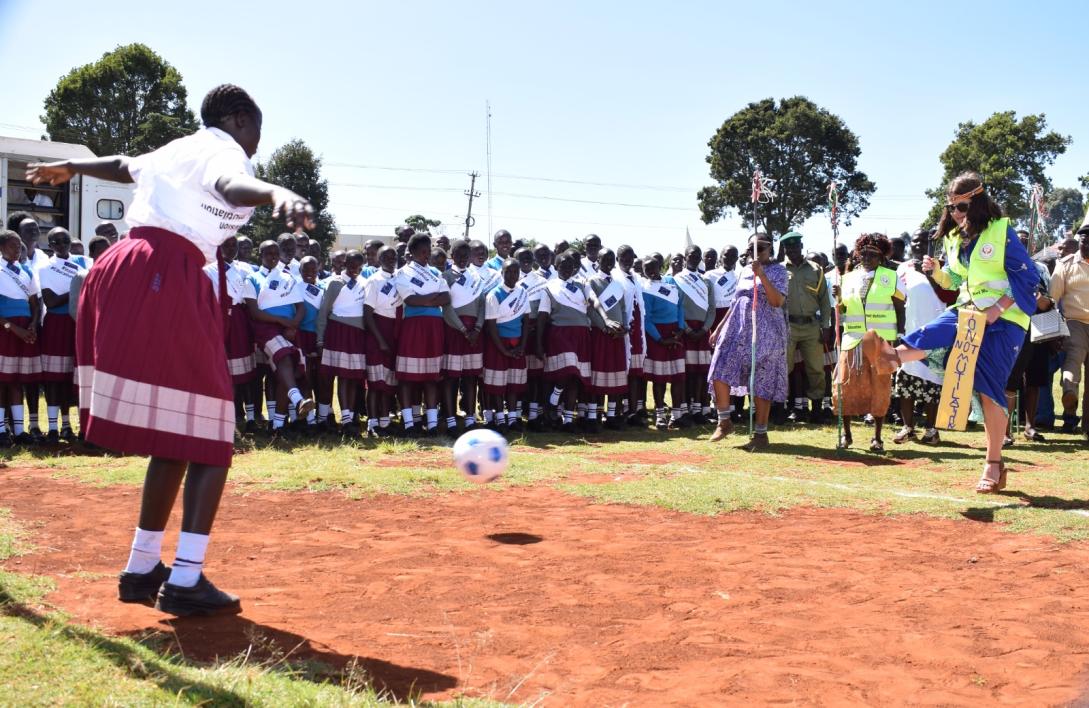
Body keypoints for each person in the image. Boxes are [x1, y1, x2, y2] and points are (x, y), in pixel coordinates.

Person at [27, 84, 314, 615]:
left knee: (184, 430)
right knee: (212, 428)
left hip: (129, 267)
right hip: (166, 272)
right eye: (256, 132)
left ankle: (141, 568)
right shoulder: (222, 149)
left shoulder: (178, 147)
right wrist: (276, 193)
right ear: (238, 119)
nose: (255, 144)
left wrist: (74, 165)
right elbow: (232, 183)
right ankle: (185, 579)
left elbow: (122, 164)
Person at [893, 172, 1038, 493]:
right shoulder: (955, 239)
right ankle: (891, 357)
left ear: (978, 202)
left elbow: (1028, 281)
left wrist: (996, 310)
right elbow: (959, 282)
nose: (956, 213)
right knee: (934, 330)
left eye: (962, 206)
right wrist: (939, 273)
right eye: (952, 207)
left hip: (1006, 321)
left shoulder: (1002, 232)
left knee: (989, 392)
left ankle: (994, 464)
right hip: (968, 310)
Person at [707, 233, 788, 449]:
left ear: (770, 248)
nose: (756, 252)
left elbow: (777, 301)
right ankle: (724, 420)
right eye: (752, 248)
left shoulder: (779, 271)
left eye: (760, 247)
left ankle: (760, 434)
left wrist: (761, 275)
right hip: (738, 329)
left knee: (762, 379)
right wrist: (719, 328)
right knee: (720, 367)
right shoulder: (743, 270)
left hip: (767, 332)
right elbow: (735, 302)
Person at [833, 234, 905, 452]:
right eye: (863, 253)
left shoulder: (891, 277)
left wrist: (899, 334)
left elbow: (900, 307)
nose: (867, 257)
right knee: (844, 385)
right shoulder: (847, 278)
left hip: (880, 341)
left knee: (880, 387)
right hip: (852, 339)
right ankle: (847, 435)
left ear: (881, 256)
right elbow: (843, 310)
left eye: (873, 254)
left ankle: (877, 438)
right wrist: (838, 299)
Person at [245, 240, 316, 434]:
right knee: (284, 355)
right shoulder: (251, 279)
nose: (273, 257)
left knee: (291, 371)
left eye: (276, 253)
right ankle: (298, 399)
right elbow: (254, 312)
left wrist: (293, 325)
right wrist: (283, 322)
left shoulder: (288, 277)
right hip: (266, 329)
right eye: (268, 253)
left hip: (290, 329)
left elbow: (300, 307)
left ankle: (277, 425)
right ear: (260, 255)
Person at [891, 229, 946, 445]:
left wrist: (931, 271)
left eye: (925, 241)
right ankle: (908, 428)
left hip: (936, 333)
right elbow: (897, 301)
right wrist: (899, 331)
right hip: (909, 334)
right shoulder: (903, 268)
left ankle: (932, 430)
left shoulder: (942, 266)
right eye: (916, 241)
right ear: (909, 244)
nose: (920, 245)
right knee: (905, 381)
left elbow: (949, 295)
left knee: (933, 381)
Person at [393, 233, 450, 436]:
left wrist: (426, 299)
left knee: (431, 377)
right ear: (413, 252)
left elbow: (446, 297)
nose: (427, 255)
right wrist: (432, 299)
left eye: (428, 251)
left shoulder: (435, 272)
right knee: (408, 378)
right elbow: (411, 300)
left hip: (434, 328)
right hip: (413, 327)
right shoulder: (402, 273)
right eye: (423, 251)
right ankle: (409, 423)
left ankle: (432, 423)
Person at [37, 227, 88, 441]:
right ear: (50, 245)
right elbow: (50, 301)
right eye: (56, 242)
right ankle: (53, 427)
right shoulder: (45, 268)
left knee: (71, 378)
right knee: (53, 379)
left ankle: (69, 425)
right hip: (55, 325)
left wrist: (73, 290)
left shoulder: (84, 263)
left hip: (76, 324)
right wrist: (77, 288)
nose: (61, 245)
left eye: (65, 240)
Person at [537, 251, 597, 432]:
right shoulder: (548, 288)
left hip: (581, 336)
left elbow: (592, 300)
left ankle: (568, 420)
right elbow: (542, 317)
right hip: (560, 335)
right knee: (567, 370)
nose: (566, 268)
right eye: (563, 265)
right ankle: (553, 400)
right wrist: (539, 343)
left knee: (575, 378)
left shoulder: (582, 284)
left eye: (570, 266)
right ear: (556, 267)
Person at [202, 236, 257, 434]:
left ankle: (251, 418)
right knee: (225, 373)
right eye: (227, 244)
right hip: (218, 323)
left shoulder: (246, 269)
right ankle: (228, 419)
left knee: (246, 372)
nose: (231, 248)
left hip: (240, 321)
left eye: (234, 245)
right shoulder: (208, 270)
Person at [782, 231, 832, 424]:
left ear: (801, 247)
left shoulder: (815, 269)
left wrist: (825, 325)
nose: (792, 251)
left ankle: (817, 410)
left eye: (795, 247)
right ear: (784, 250)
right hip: (788, 326)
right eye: (788, 248)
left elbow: (824, 301)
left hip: (812, 326)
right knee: (785, 367)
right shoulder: (780, 270)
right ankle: (785, 407)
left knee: (816, 369)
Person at [316, 250, 367, 434]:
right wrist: (320, 340)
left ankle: (350, 414)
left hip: (357, 335)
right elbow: (324, 312)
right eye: (352, 265)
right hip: (339, 332)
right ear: (344, 264)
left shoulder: (364, 283)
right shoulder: (335, 283)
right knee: (343, 377)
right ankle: (345, 421)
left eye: (359, 266)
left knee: (353, 378)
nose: (355, 269)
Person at [0, 229, 42, 445]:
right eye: (11, 246)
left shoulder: (26, 270)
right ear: (1, 247)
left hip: (25, 329)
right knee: (2, 380)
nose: (16, 249)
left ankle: (19, 430)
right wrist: (13, 328)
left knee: (16, 380)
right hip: (6, 329)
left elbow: (35, 303)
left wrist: (33, 324)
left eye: (18, 246)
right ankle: (0, 430)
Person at [1050, 216, 1089, 439]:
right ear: (1079, 241)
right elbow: (1053, 298)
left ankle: (1088, 428)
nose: (1087, 245)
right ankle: (1069, 394)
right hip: (1074, 321)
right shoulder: (1065, 265)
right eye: (1084, 241)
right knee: (1072, 359)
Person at [483, 259, 530, 435]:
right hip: (498, 344)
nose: (512, 276)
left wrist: (522, 346)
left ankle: (512, 418)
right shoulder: (493, 295)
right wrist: (503, 350)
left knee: (513, 384)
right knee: (498, 386)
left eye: (515, 272)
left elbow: (526, 321)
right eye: (508, 272)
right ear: (501, 273)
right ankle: (500, 419)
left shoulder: (523, 293)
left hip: (517, 343)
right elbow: (491, 326)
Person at [441, 240, 485, 432]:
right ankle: (451, 417)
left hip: (475, 333)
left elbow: (482, 305)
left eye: (465, 255)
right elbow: (446, 307)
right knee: (451, 377)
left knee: (471, 378)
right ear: (452, 255)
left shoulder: (476, 277)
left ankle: (469, 415)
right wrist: (462, 329)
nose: (462, 258)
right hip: (454, 330)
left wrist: (477, 328)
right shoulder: (446, 276)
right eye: (458, 255)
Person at [641, 257, 687, 431]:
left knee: (678, 377)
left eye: (654, 267)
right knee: (659, 379)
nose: (651, 271)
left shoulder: (671, 281)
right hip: (657, 336)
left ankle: (676, 415)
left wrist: (681, 328)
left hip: (675, 332)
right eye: (647, 268)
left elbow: (680, 305)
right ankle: (660, 415)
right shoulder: (645, 288)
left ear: (661, 266)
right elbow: (646, 318)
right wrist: (660, 339)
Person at [586, 249, 628, 431]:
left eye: (612, 259)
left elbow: (624, 309)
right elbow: (590, 310)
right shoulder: (591, 281)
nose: (609, 262)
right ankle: (594, 416)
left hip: (617, 336)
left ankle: (611, 416)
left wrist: (624, 328)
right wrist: (604, 327)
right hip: (600, 334)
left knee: (614, 376)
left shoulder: (618, 284)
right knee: (598, 375)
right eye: (605, 258)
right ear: (599, 260)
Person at [363, 245, 401, 437]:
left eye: (394, 256)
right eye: (386, 257)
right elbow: (367, 314)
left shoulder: (400, 278)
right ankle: (372, 424)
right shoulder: (374, 281)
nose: (391, 260)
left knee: (388, 383)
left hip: (395, 332)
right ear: (378, 259)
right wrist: (380, 340)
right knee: (375, 383)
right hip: (378, 332)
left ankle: (385, 422)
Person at [675, 246, 715, 423]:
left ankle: (698, 409)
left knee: (701, 372)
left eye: (697, 256)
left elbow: (712, 309)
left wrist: (705, 329)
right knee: (685, 372)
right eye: (691, 255)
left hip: (702, 331)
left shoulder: (706, 281)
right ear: (685, 257)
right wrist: (687, 328)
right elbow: (676, 308)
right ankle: (685, 409)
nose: (694, 258)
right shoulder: (676, 280)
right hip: (685, 330)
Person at [617, 245, 647, 424]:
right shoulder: (615, 277)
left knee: (635, 374)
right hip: (622, 331)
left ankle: (633, 411)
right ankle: (619, 411)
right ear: (618, 259)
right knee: (622, 373)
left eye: (631, 258)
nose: (628, 261)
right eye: (624, 257)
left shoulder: (636, 278)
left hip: (637, 333)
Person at [296, 256, 326, 429]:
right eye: (305, 270)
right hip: (302, 336)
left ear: (318, 270)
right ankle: (308, 420)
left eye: (313, 270)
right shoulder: (295, 288)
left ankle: (322, 419)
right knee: (305, 378)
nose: (309, 273)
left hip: (319, 336)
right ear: (299, 271)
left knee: (320, 378)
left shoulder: (323, 287)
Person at [705, 246, 739, 329]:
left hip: (733, 314)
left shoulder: (738, 277)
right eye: (726, 255)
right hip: (715, 315)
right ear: (720, 257)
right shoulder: (709, 275)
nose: (730, 258)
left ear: (737, 259)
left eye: (733, 256)